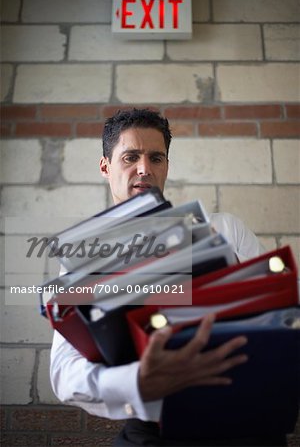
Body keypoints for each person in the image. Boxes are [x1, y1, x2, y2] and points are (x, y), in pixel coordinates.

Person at [50, 109, 282, 446]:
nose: (145, 168)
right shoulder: (84, 257)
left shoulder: (226, 228)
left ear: (166, 166)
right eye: (130, 157)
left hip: (244, 421)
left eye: (156, 157)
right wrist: (138, 381)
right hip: (154, 428)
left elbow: (287, 306)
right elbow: (62, 372)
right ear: (105, 167)